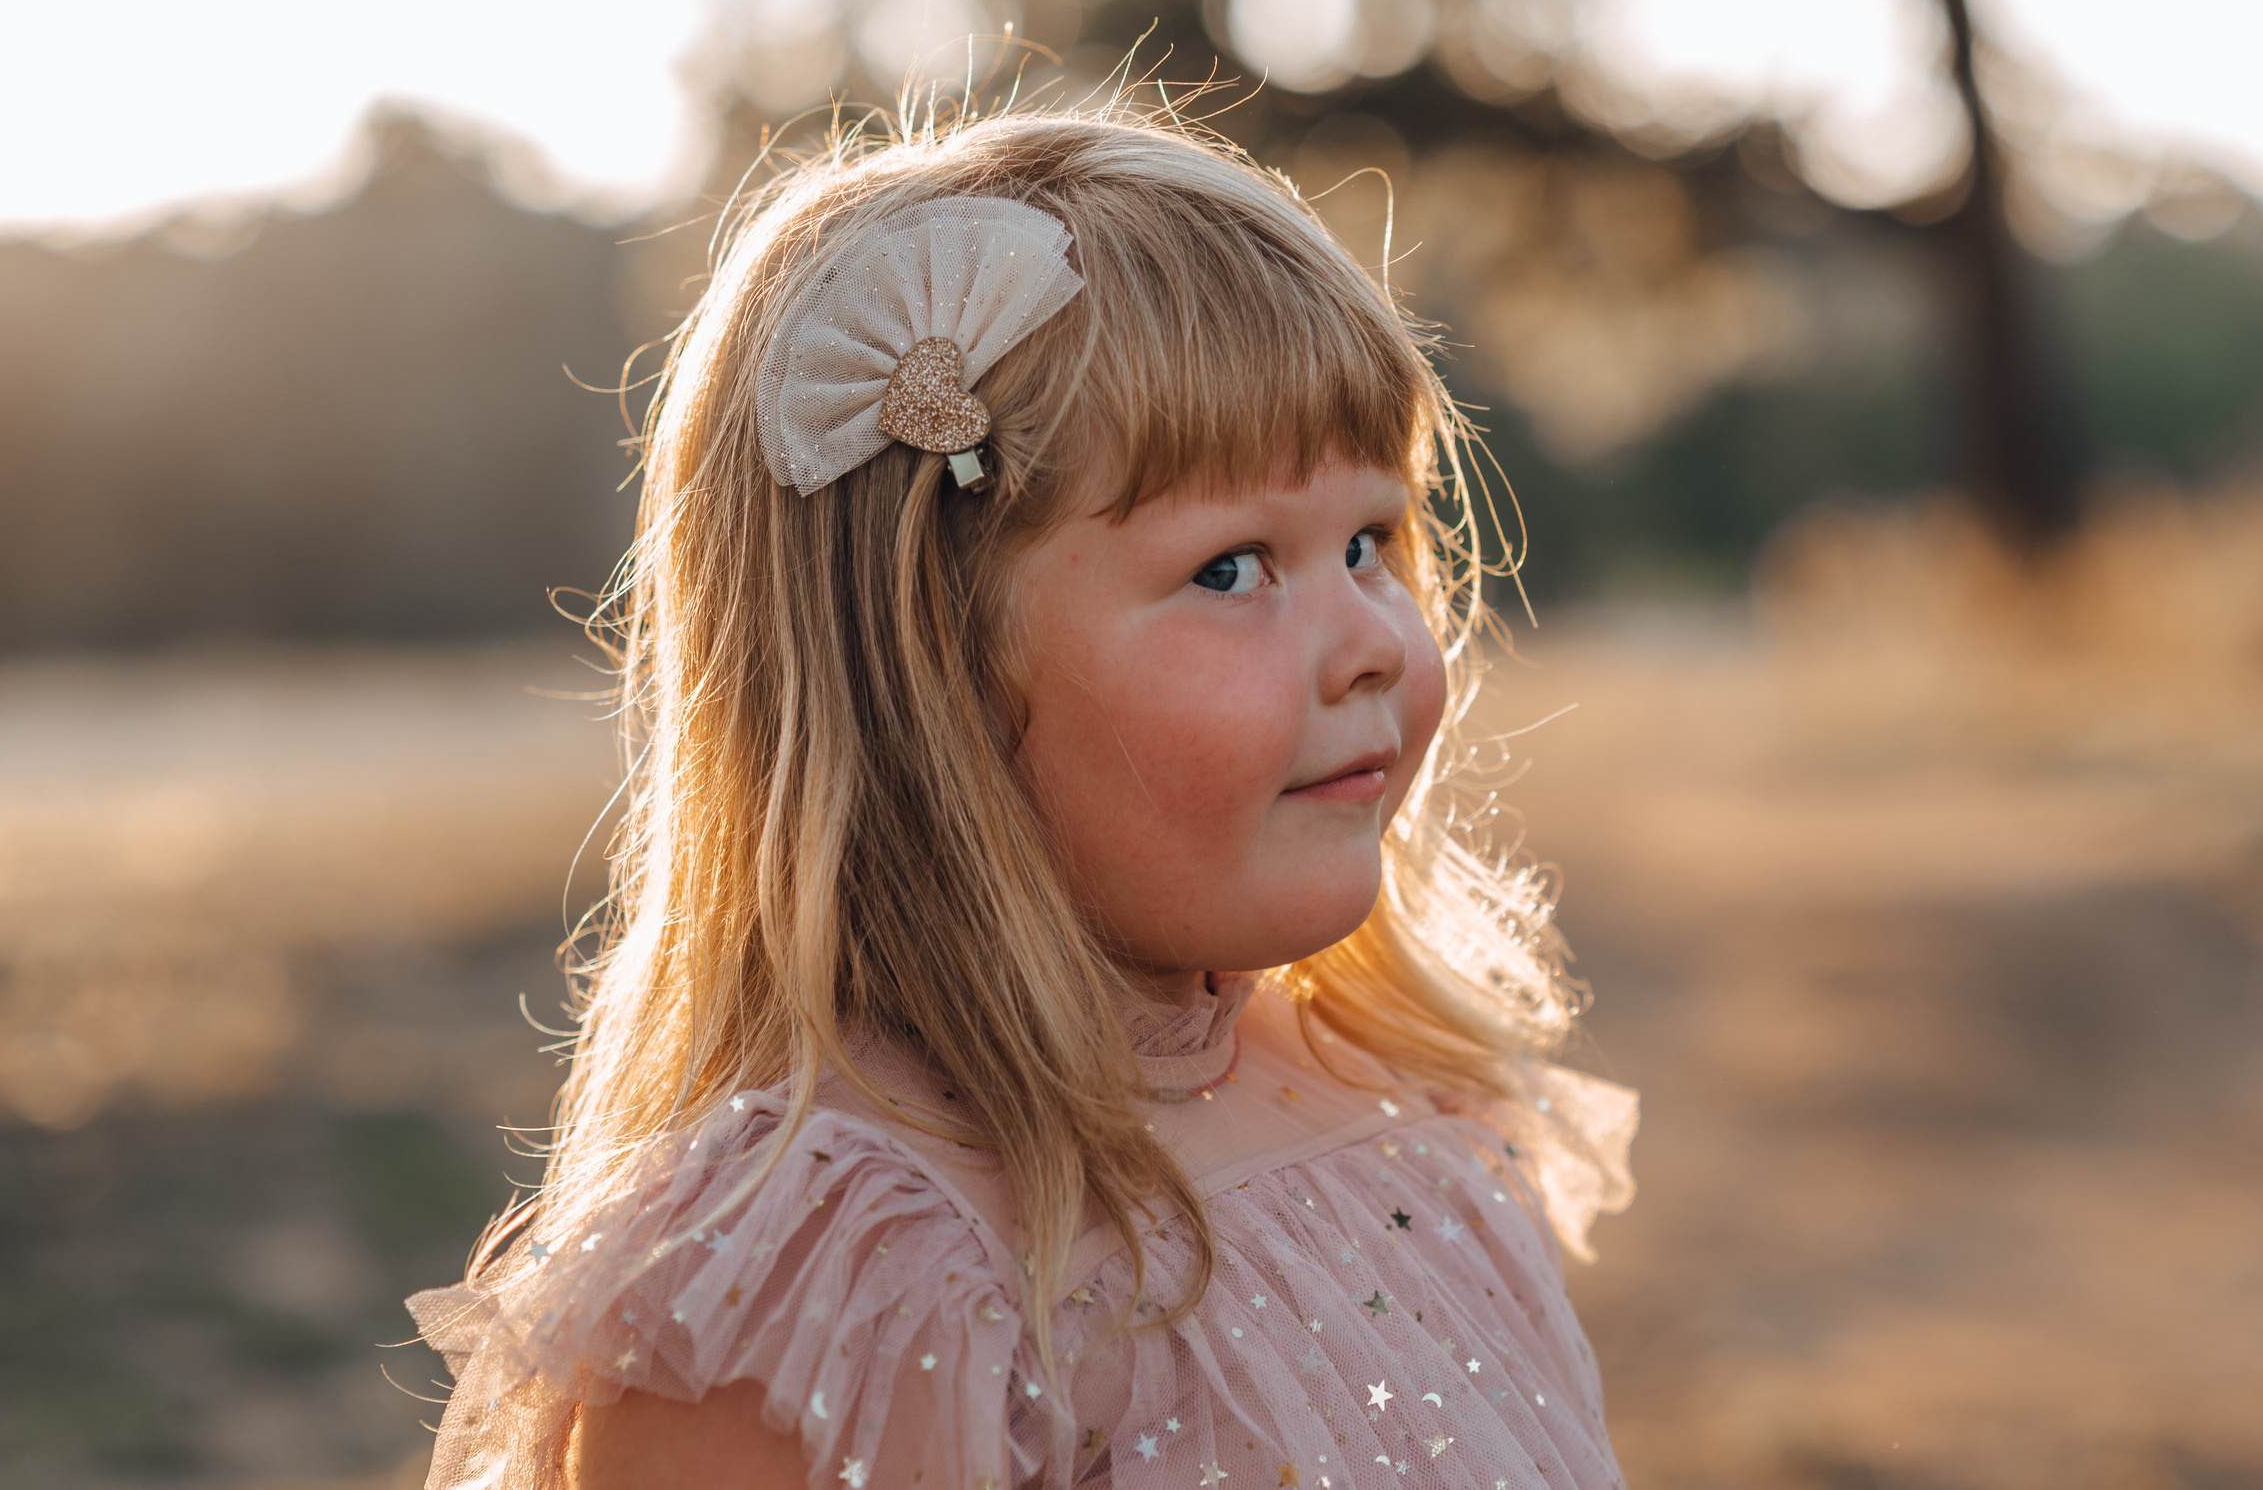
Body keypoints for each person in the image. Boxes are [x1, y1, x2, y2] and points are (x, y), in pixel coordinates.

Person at [408, 108, 1637, 1489]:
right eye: (1233, 567)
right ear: (932, 669)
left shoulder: (1399, 1102)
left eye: (1368, 540)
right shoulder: (845, 1276)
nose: (1370, 637)